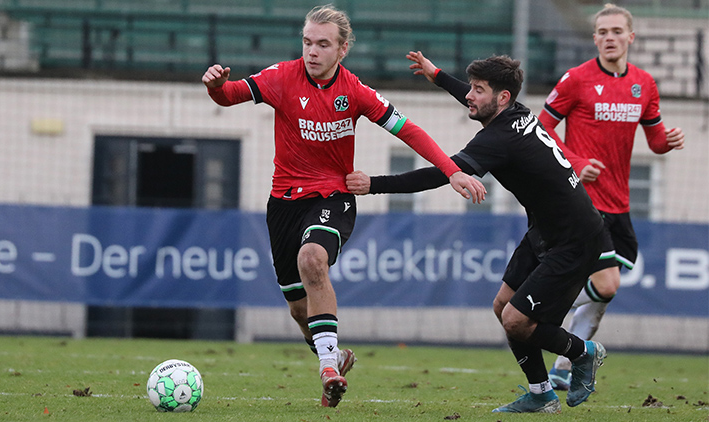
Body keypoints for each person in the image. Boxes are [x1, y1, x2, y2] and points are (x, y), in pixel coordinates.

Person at [201, 4, 485, 408]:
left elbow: (410, 131)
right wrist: (215, 85)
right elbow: (230, 96)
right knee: (299, 310)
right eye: (306, 42)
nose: (311, 52)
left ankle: (327, 369)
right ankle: (333, 356)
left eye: (322, 44)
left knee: (313, 258)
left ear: (343, 49)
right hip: (283, 202)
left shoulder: (354, 91)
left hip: (333, 196)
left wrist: (452, 171)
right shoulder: (282, 77)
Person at [347, 51, 608, 413]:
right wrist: (436, 74)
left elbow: (442, 172)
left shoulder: (498, 139)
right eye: (470, 87)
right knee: (503, 307)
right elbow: (476, 100)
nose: (470, 95)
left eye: (478, 89)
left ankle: (585, 352)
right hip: (546, 231)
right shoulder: (514, 111)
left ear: (502, 97)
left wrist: (374, 184)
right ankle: (541, 394)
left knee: (517, 320)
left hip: (575, 239)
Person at [539, 4, 685, 390]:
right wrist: (574, 160)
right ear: (594, 39)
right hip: (581, 200)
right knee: (606, 284)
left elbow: (654, 141)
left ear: (630, 37)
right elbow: (541, 128)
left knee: (603, 294)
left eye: (617, 31)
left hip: (619, 203)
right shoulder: (576, 79)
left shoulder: (644, 84)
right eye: (602, 31)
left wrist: (667, 141)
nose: (609, 37)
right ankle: (535, 311)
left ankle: (562, 369)